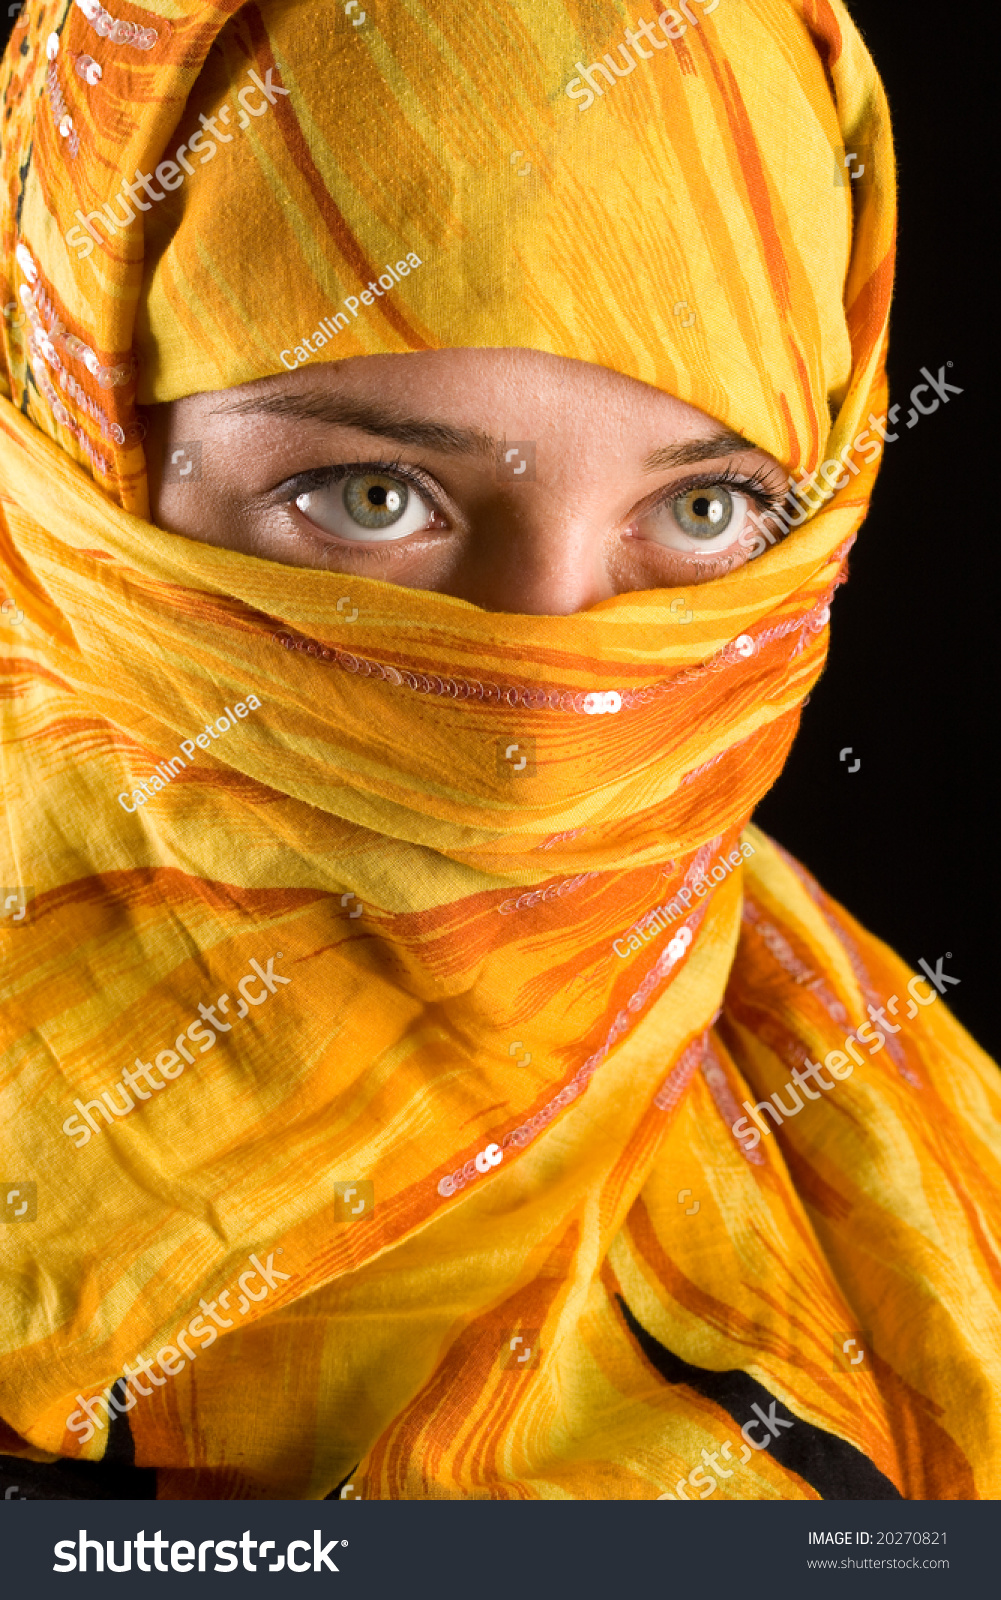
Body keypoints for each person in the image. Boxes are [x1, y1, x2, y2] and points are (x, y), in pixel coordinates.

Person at [1, 0, 998, 1505]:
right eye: (370, 496)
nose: (544, 692)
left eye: (709, 511)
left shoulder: (924, 1220)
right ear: (69, 470)